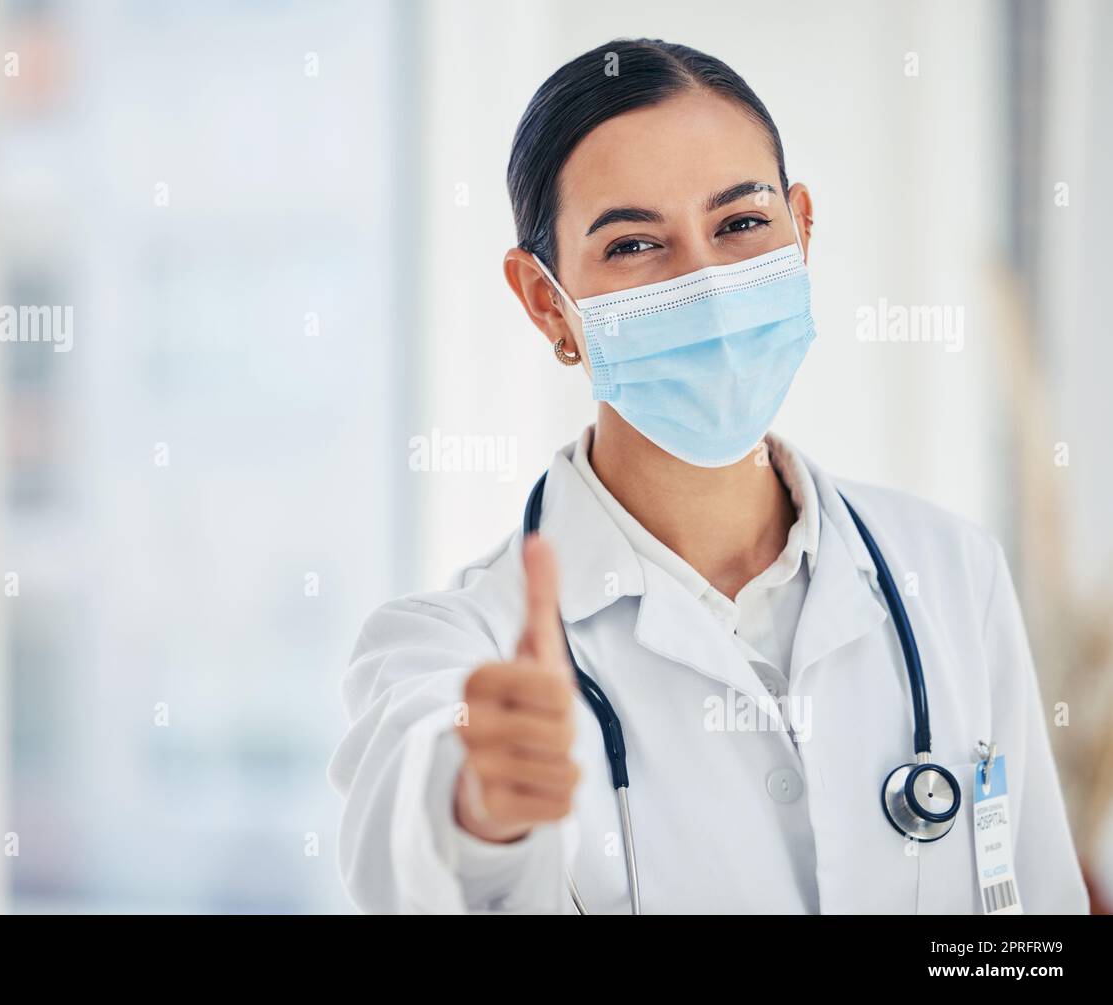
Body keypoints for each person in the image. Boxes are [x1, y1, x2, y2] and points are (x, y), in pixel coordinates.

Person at [328, 38, 1089, 914]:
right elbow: (410, 849)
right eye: (634, 244)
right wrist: (478, 807)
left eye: (739, 224)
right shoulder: (456, 648)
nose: (707, 283)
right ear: (546, 302)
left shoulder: (952, 572)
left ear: (801, 230)